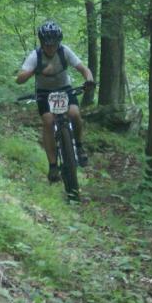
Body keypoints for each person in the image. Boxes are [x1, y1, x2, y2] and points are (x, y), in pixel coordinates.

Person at [16, 21, 95, 183]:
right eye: (47, 45)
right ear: (42, 43)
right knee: (48, 121)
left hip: (64, 89)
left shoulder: (65, 51)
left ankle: (79, 147)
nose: (50, 48)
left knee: (74, 114)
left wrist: (89, 80)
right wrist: (36, 70)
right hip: (44, 93)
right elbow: (19, 79)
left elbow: (84, 69)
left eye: (53, 45)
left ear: (58, 43)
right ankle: (53, 165)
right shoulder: (35, 56)